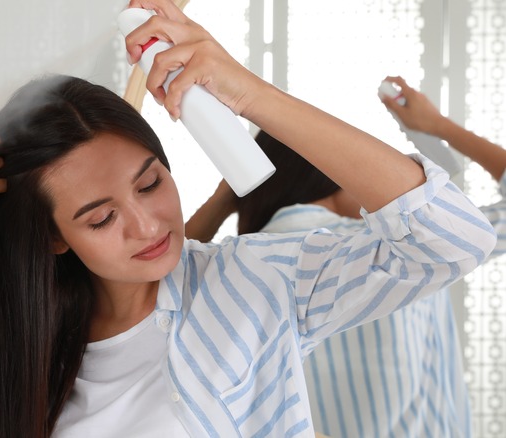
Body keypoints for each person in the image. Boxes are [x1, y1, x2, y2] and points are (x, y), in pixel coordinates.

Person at [0, 0, 496, 435]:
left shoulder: (254, 284)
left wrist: (245, 92)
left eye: (151, 183)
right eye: (99, 215)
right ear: (53, 234)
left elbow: (450, 238)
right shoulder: (10, 330)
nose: (148, 225)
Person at [186, 77, 506, 437]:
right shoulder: (411, 240)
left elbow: (160, 286)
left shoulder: (242, 268)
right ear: (331, 170)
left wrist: (226, 197)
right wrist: (436, 126)